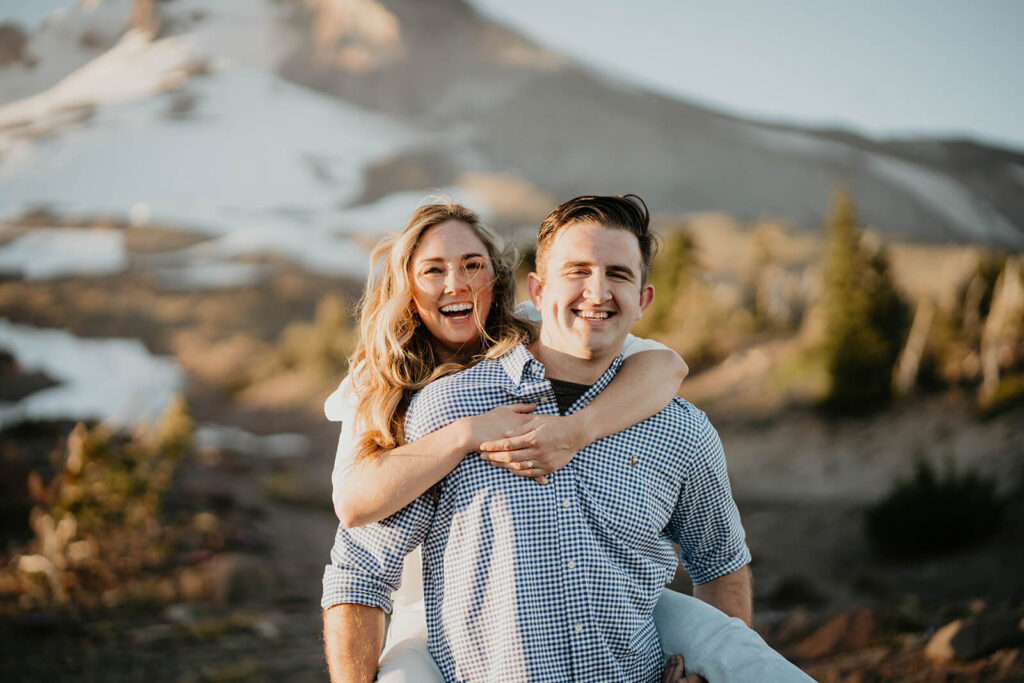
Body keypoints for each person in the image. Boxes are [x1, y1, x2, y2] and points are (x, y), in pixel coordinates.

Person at [322, 199, 813, 682]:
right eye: (577, 271)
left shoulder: (671, 419)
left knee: (738, 656)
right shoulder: (399, 393)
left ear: (644, 300)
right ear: (539, 289)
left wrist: (576, 429)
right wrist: (465, 432)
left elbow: (720, 559)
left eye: (618, 275)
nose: (597, 293)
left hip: (628, 631)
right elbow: (356, 533)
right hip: (433, 618)